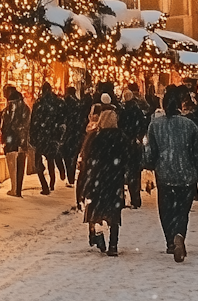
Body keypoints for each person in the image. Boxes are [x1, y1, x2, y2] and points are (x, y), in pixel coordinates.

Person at [143, 85, 198, 262]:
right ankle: (179, 234)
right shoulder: (190, 126)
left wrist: (148, 164)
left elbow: (150, 152)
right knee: (182, 210)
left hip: (165, 174)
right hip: (187, 175)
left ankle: (171, 240)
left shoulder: (155, 125)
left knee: (166, 209)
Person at [76, 108, 125, 255]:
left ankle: (98, 236)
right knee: (114, 213)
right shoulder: (121, 138)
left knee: (96, 211)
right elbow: (128, 158)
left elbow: (88, 158)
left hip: (98, 179)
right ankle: (113, 245)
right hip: (115, 181)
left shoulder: (95, 138)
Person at [29, 80, 64, 195]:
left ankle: (44, 185)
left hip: (41, 136)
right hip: (52, 135)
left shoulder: (38, 103)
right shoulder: (57, 102)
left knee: (38, 162)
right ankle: (52, 183)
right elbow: (61, 119)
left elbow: (34, 121)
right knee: (51, 160)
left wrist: (33, 136)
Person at [118, 82, 149, 210]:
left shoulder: (122, 111)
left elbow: (120, 126)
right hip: (134, 145)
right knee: (135, 173)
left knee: (122, 172)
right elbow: (143, 125)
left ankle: (122, 198)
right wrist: (138, 137)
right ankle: (136, 198)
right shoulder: (137, 110)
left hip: (124, 145)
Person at [0, 85, 31, 197]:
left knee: (12, 164)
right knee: (20, 164)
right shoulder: (24, 106)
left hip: (12, 140)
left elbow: (9, 124)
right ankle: (18, 189)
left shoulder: (11, 107)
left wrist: (7, 135)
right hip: (22, 140)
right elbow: (26, 124)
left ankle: (15, 189)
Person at [58, 86, 85, 187]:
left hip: (66, 133)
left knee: (65, 154)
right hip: (75, 134)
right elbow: (80, 119)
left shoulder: (64, 103)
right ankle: (71, 177)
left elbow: (62, 117)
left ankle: (66, 172)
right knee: (73, 156)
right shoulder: (78, 104)